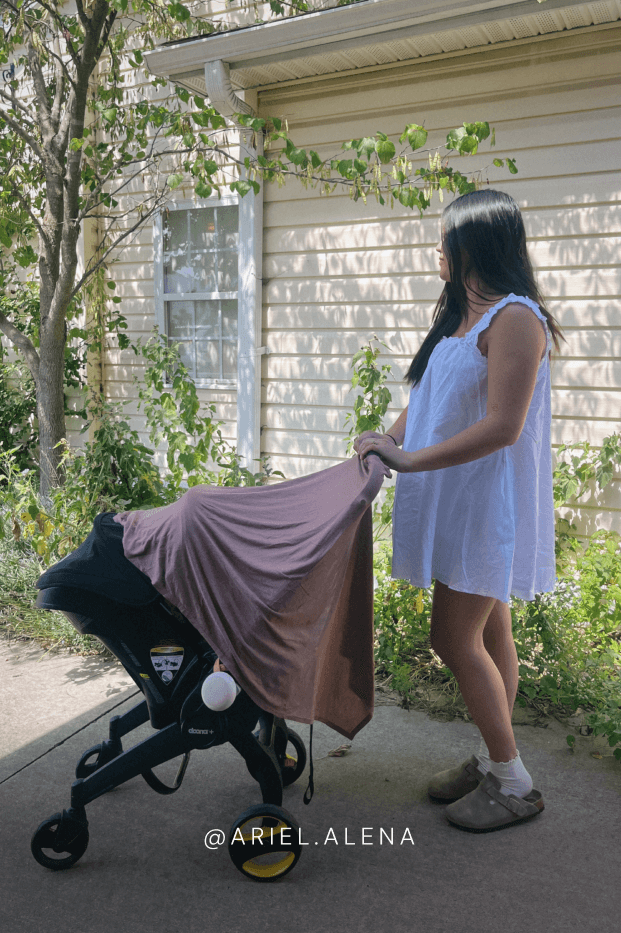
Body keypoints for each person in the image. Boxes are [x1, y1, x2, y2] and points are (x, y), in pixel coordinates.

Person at [355, 188, 565, 831]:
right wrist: (388, 440)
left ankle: (513, 782)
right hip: (450, 498)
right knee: (491, 633)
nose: (436, 251)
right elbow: (426, 397)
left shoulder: (516, 318)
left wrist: (411, 461)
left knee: (451, 637)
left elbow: (504, 426)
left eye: (443, 239)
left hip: (482, 503)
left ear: (471, 245)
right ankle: (493, 756)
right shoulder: (461, 315)